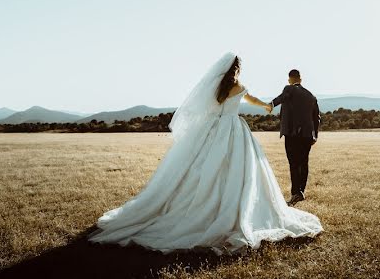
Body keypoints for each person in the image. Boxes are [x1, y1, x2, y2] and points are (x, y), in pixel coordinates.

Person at [87, 52, 323, 255]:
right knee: (241, 170)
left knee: (204, 167)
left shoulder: (215, 87)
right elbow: (250, 100)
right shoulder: (239, 87)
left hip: (212, 129)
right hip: (233, 128)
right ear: (237, 68)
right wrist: (266, 106)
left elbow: (202, 107)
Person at [268, 69, 320, 206]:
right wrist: (315, 135)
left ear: (290, 79)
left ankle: (295, 193)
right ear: (301, 79)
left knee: (293, 163)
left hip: (293, 134)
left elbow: (282, 97)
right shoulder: (311, 96)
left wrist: (271, 104)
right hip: (308, 135)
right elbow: (317, 118)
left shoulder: (289, 89)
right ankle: (301, 191)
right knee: (304, 163)